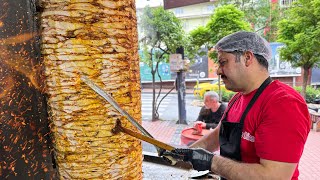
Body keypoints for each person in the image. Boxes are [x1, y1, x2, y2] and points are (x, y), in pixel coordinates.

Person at [164, 31, 310, 180]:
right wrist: (186, 153)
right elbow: (216, 136)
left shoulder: (283, 103)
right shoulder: (237, 98)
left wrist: (210, 161)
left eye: (223, 62)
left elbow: (273, 176)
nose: (218, 70)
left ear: (247, 58)